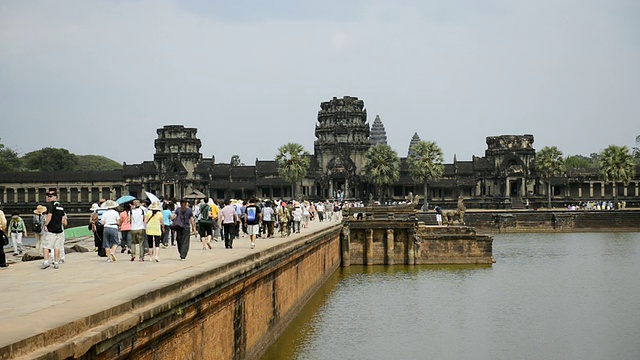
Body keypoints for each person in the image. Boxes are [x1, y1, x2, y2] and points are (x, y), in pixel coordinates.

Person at [42, 190, 67, 270]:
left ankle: (46, 261)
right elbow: (63, 219)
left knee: (46, 246)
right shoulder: (61, 206)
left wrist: (46, 225)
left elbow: (49, 215)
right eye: (48, 196)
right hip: (59, 229)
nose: (49, 198)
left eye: (50, 196)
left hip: (51, 229)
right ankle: (56, 262)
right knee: (57, 247)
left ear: (55, 197)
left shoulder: (50, 205)